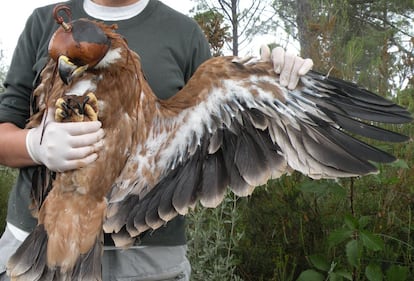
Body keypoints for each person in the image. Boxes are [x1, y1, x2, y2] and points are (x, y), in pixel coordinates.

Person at [0, 0, 313, 280]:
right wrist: (33, 146)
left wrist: (282, 80)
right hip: (36, 242)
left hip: (147, 260)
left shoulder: (183, 32)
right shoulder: (43, 23)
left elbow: (233, 114)